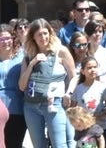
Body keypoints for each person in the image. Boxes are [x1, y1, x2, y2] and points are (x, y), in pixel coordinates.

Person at [21, 18, 76, 148]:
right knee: (39, 145)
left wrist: (69, 93)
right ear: (33, 37)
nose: (43, 37)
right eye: (39, 34)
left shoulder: (61, 51)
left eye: (46, 33)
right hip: (31, 105)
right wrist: (33, 63)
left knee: (59, 145)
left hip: (54, 103)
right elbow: (21, 85)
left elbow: (73, 76)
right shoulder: (28, 55)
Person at [0, 24, 27, 148]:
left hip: (17, 107)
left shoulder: (21, 57)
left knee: (14, 144)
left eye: (8, 38)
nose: (5, 42)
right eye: (1, 39)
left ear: (13, 39)